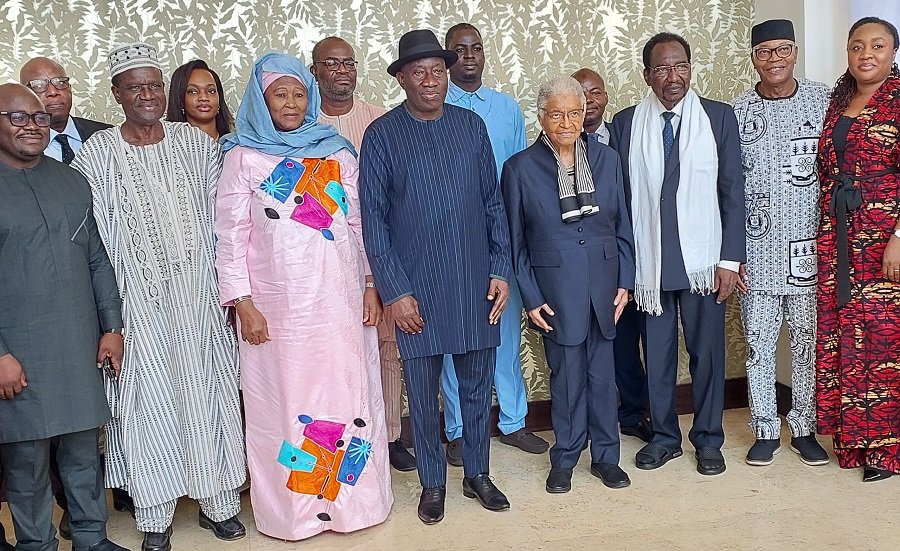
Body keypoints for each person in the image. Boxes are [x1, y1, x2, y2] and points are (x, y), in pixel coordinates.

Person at [70, 43, 246, 551]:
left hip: (200, 302)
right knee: (148, 407)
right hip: (137, 309)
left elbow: (229, 222)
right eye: (134, 87)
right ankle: (154, 515)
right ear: (116, 94)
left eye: (152, 85)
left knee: (210, 396)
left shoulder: (195, 145)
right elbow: (93, 243)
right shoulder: (98, 155)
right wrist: (110, 319)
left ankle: (219, 505)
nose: (146, 95)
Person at [215, 52, 393, 540]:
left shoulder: (336, 153)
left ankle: (352, 507)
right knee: (289, 410)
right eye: (279, 94)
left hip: (339, 307)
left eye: (298, 93)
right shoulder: (244, 158)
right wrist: (242, 302)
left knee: (345, 399)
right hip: (278, 315)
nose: (290, 103)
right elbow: (230, 236)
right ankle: (295, 514)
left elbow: (359, 228)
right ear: (261, 100)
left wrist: (373, 286)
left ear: (309, 96)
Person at [360, 29, 512, 525]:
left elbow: (493, 203)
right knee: (423, 397)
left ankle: (478, 473)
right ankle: (432, 482)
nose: (431, 81)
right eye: (419, 72)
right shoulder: (381, 135)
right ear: (402, 78)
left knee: (475, 386)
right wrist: (395, 292)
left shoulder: (471, 127)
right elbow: (373, 221)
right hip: (415, 291)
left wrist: (501, 269)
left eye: (438, 71)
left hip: (473, 282)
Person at [609, 32, 745, 476]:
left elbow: (732, 192)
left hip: (704, 262)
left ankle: (708, 440)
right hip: (653, 264)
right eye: (663, 68)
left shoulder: (719, 118)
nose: (674, 76)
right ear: (647, 75)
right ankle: (665, 437)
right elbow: (624, 201)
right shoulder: (628, 122)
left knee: (707, 355)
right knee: (659, 357)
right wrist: (627, 268)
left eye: (681, 65)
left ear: (691, 68)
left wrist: (729, 259)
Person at [0, 83, 128, 551]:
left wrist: (111, 327)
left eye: (38, 117)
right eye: (17, 117)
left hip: (76, 339)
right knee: (26, 461)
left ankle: (92, 539)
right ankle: (36, 544)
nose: (32, 125)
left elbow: (97, 258)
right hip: (17, 351)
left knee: (81, 452)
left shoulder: (71, 180)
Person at [502, 75, 635, 493]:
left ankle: (606, 457)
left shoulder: (608, 160)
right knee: (566, 379)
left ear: (584, 116)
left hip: (605, 285)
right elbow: (515, 243)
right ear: (541, 117)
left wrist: (626, 282)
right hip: (555, 292)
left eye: (574, 113)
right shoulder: (520, 168)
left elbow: (623, 225)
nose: (566, 122)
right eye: (556, 114)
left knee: (603, 377)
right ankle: (564, 459)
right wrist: (531, 297)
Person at [442, 22, 547, 465]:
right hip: (448, 241)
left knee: (503, 330)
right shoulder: (429, 107)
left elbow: (522, 175)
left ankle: (513, 422)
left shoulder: (506, 109)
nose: (469, 56)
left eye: (476, 48)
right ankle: (458, 429)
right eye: (459, 50)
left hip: (500, 236)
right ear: (446, 58)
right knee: (451, 335)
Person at [310, 36, 417, 473]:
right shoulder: (299, 125)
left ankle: (388, 435)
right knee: (333, 354)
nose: (341, 70)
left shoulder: (380, 121)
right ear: (314, 70)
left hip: (380, 255)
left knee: (387, 349)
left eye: (348, 62)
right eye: (331, 63)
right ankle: (334, 444)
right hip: (322, 266)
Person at [731, 19, 830, 468]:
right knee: (759, 345)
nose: (775, 59)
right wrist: (731, 257)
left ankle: (805, 427)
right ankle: (765, 429)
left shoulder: (824, 99)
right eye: (765, 51)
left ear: (795, 52)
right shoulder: (736, 112)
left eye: (783, 49)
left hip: (810, 251)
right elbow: (727, 189)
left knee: (807, 346)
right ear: (753, 57)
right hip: (757, 255)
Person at [816, 16, 900, 483]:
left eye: (878, 46)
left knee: (883, 339)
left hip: (885, 235)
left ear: (892, 52)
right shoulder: (841, 98)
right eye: (857, 46)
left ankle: (886, 452)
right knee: (844, 334)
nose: (866, 54)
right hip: (838, 235)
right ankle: (853, 442)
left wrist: (899, 239)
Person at [573, 67, 652, 444]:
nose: (590, 100)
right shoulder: (558, 142)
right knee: (583, 348)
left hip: (622, 256)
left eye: (596, 92)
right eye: (581, 93)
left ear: (606, 96)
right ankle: (587, 422)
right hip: (578, 266)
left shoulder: (623, 132)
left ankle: (633, 413)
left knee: (624, 343)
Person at [19, 57, 112, 165]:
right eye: (39, 85)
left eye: (60, 82)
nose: (53, 92)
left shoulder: (106, 135)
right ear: (24, 95)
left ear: (70, 88)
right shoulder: (16, 145)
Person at [166, 59, 234, 141]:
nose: (204, 97)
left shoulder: (235, 146)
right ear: (180, 100)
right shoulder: (170, 147)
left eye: (211, 91)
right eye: (193, 91)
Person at [571, 68, 612, 145]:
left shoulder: (622, 135)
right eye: (580, 95)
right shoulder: (560, 140)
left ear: (605, 98)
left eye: (595, 93)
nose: (588, 100)